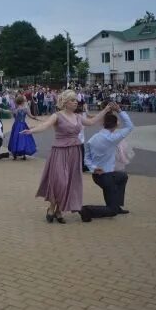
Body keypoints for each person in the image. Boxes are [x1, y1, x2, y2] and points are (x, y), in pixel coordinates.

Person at [22, 90, 112, 224]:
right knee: (60, 181)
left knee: (69, 182)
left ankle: (59, 210)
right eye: (72, 100)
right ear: (65, 102)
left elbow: (91, 122)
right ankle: (52, 206)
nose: (76, 102)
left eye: (76, 100)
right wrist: (31, 131)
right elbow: (45, 125)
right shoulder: (57, 116)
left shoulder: (78, 117)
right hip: (59, 152)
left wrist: (105, 110)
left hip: (74, 152)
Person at [80, 104, 134, 222]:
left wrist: (93, 168)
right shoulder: (113, 138)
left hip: (97, 175)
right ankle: (87, 210)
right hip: (107, 176)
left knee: (123, 176)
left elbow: (86, 158)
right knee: (111, 211)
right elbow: (130, 126)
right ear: (115, 125)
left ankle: (116, 204)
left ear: (103, 124)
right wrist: (119, 110)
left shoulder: (93, 139)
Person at [7, 95, 38, 160]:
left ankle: (15, 154)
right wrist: (35, 118)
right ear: (23, 102)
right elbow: (31, 116)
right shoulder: (25, 109)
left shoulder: (16, 110)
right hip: (23, 125)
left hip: (16, 125)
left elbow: (13, 116)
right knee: (23, 138)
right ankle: (23, 154)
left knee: (15, 138)